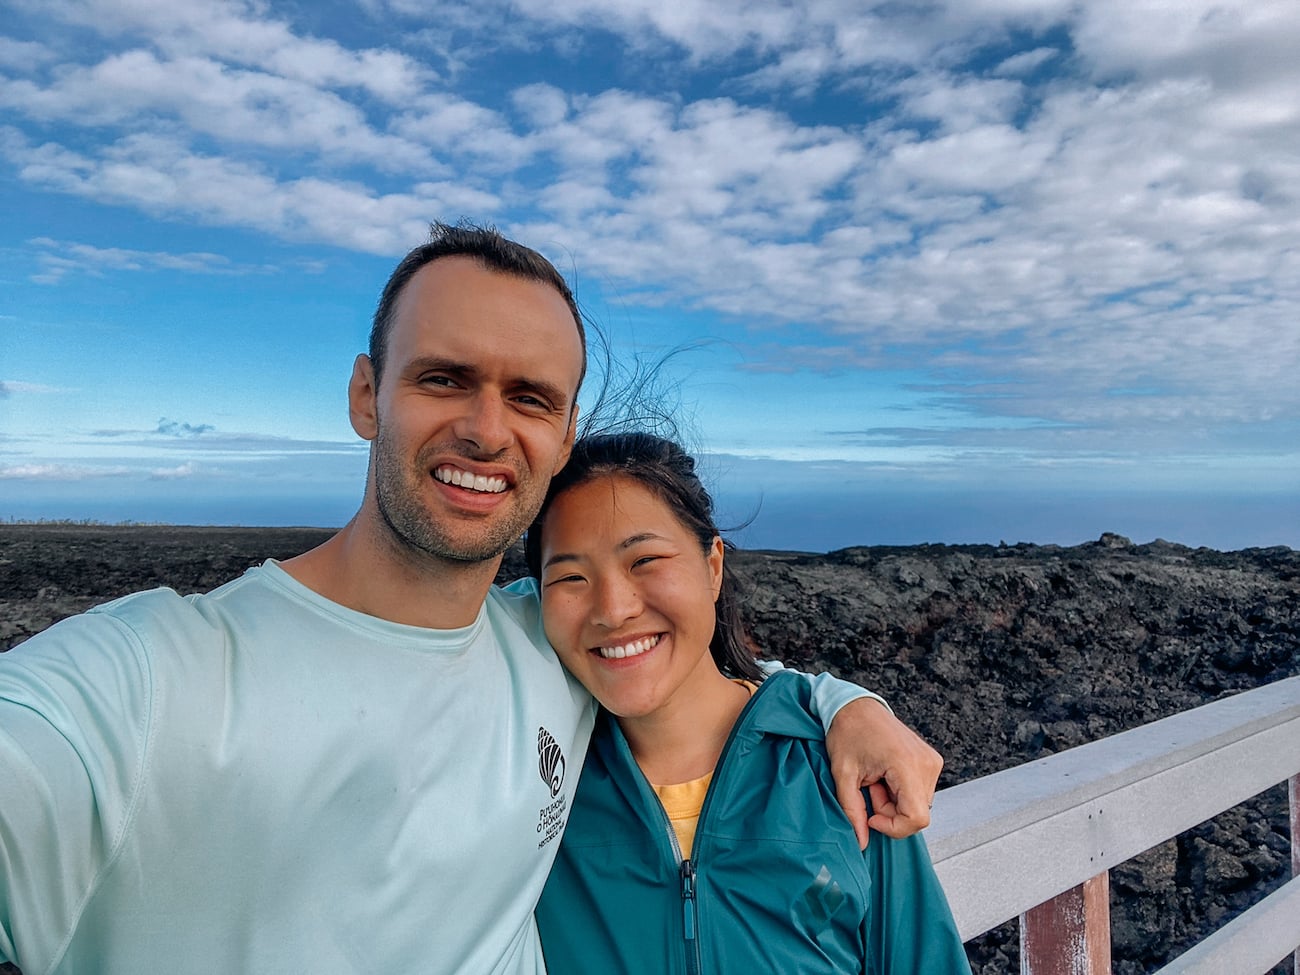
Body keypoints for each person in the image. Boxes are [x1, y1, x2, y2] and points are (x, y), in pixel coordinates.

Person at [0, 223, 942, 975]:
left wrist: (839, 704)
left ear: (564, 433)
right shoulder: (148, 680)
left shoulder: (544, 644)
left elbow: (677, 650)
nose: (487, 429)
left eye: (529, 396)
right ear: (366, 394)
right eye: (444, 378)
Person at [529, 431, 970, 973]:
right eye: (571, 576)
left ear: (713, 566)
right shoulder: (536, 789)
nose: (613, 609)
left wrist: (847, 705)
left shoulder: (842, 774)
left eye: (644, 560)